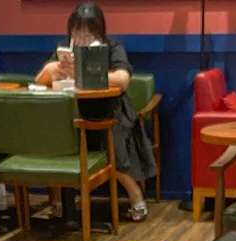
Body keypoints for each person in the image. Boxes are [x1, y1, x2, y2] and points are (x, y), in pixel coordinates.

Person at [36, 2, 156, 222]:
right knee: (54, 142)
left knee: (113, 149)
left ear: (99, 32)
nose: (82, 39)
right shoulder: (64, 49)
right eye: (77, 33)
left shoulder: (112, 47)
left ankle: (136, 197)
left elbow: (122, 80)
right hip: (75, 112)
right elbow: (40, 79)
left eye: (88, 34)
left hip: (110, 111)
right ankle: (59, 201)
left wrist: (85, 73)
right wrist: (53, 69)